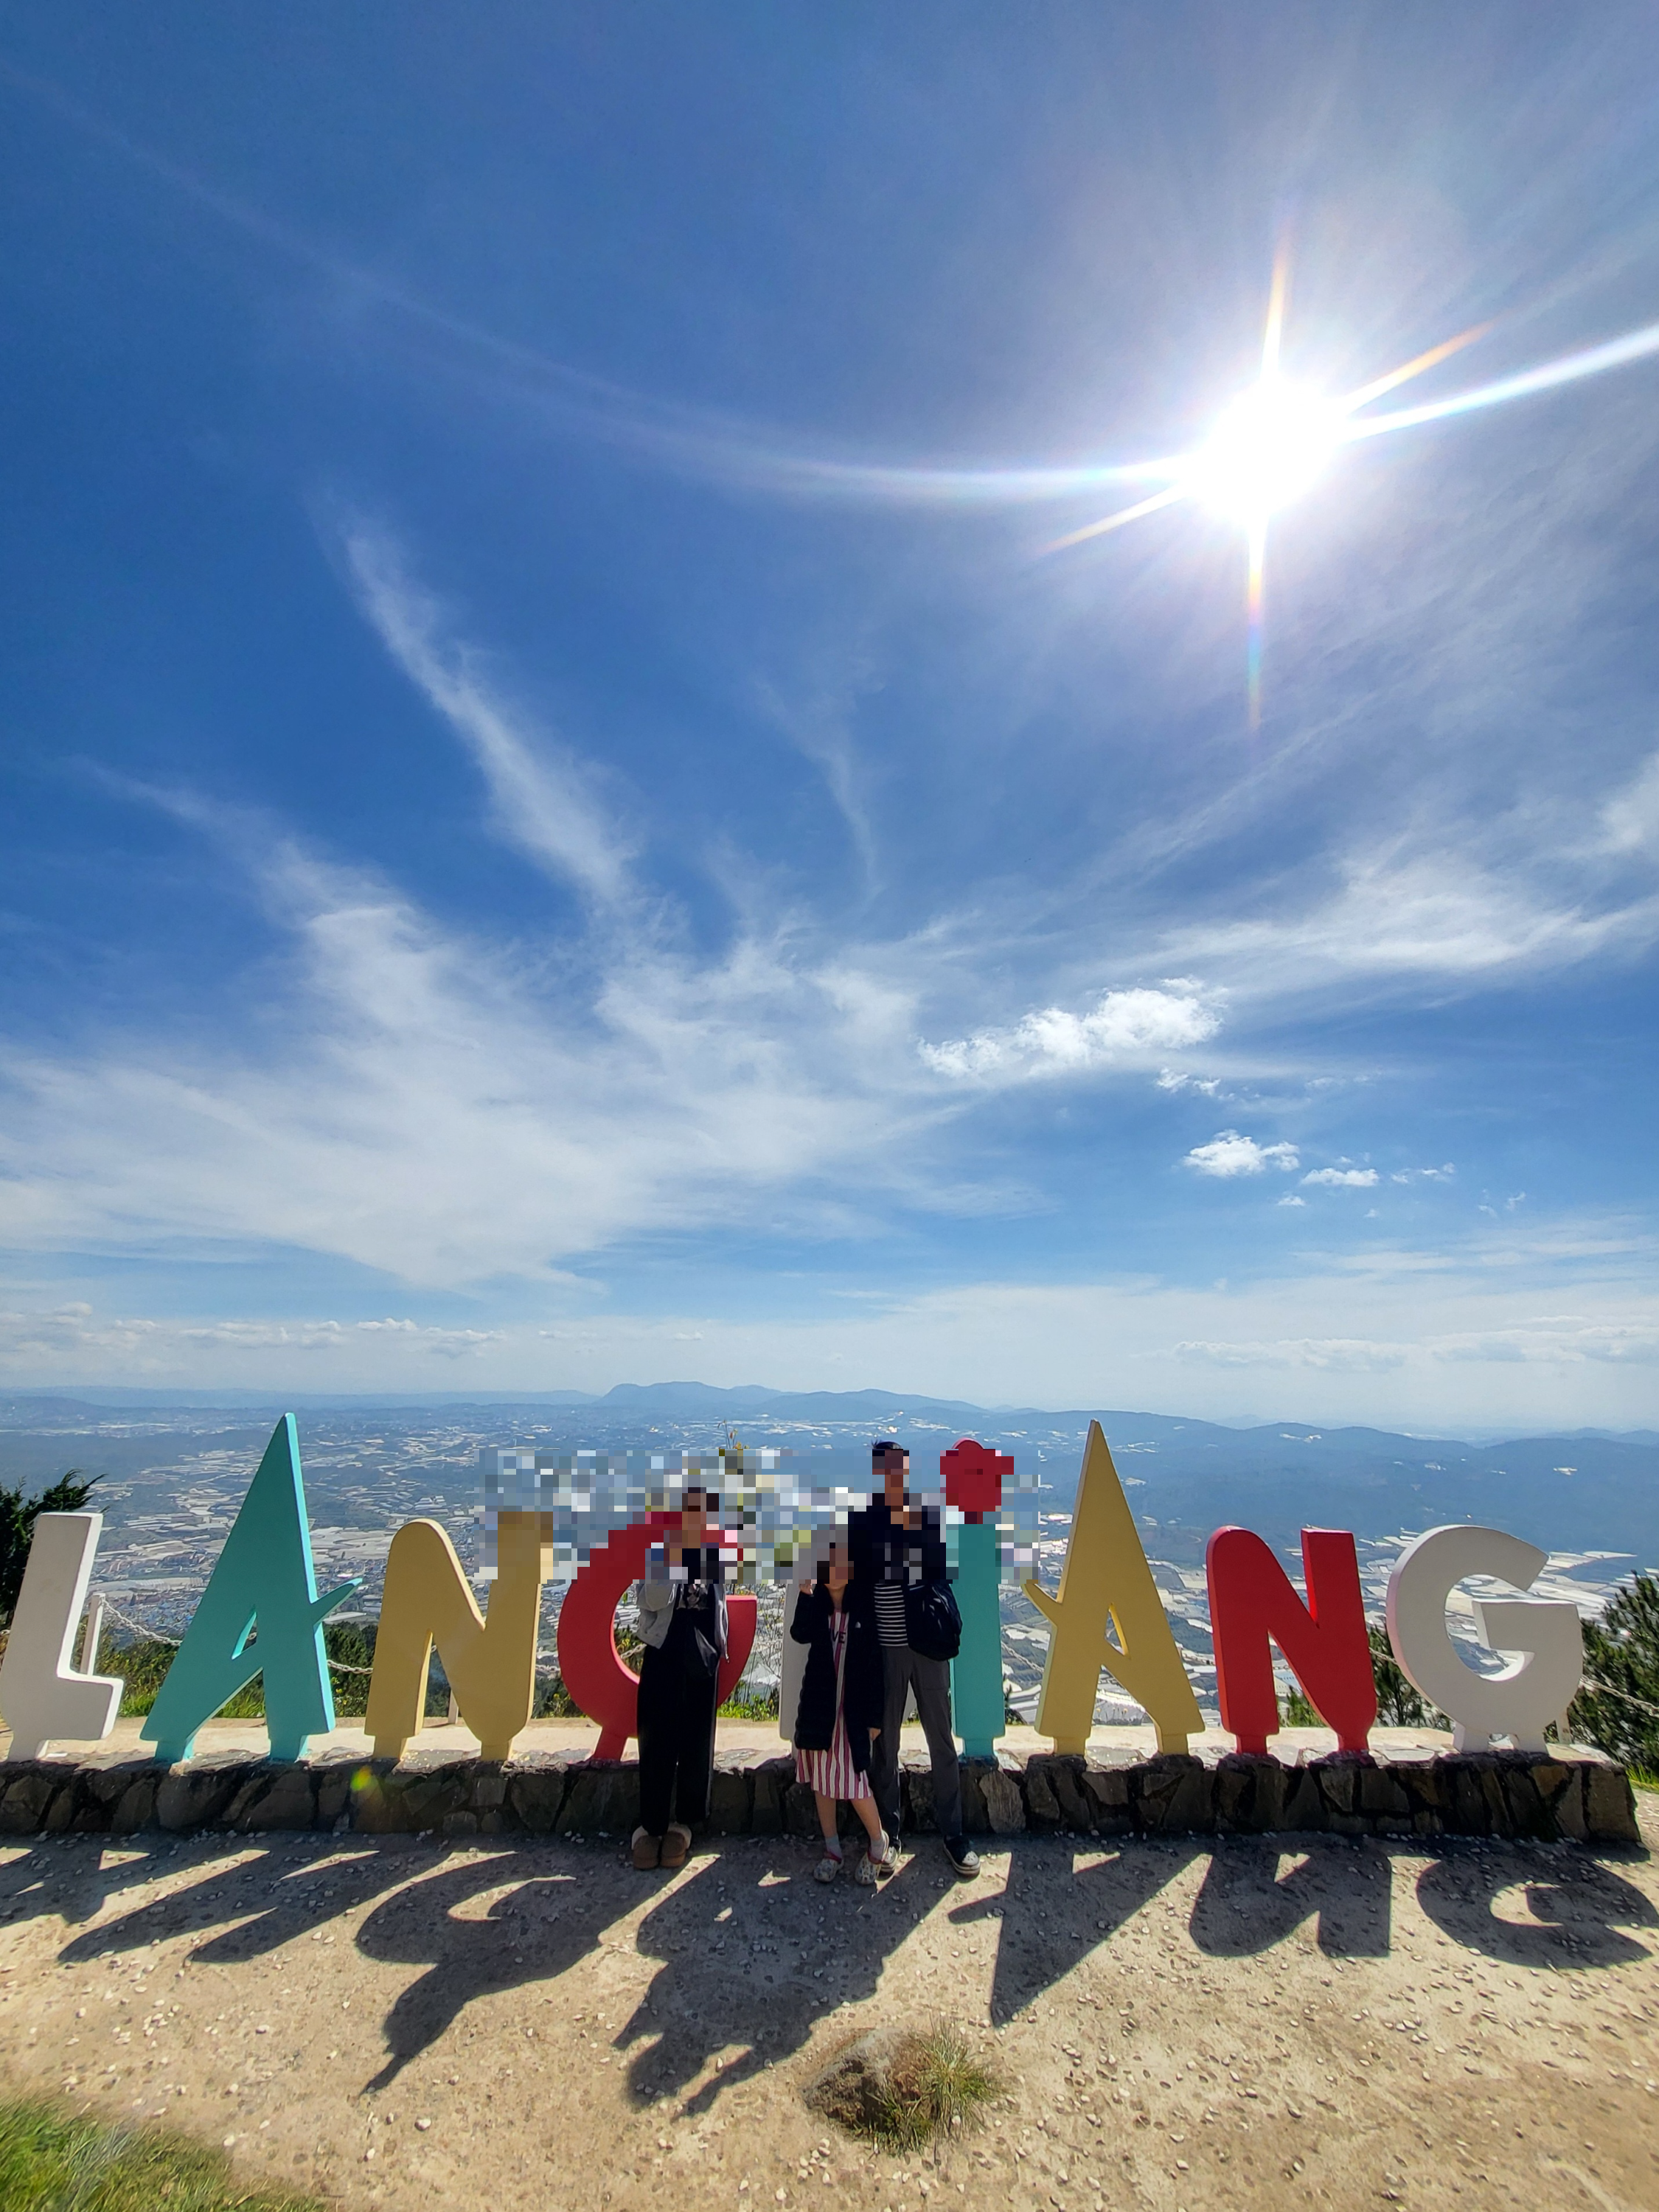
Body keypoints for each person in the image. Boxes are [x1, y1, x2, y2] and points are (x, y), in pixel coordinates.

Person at [849, 1441, 980, 1879]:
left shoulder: (924, 1514)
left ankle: (954, 1833)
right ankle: (888, 1833)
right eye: (885, 1469)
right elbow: (857, 1579)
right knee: (886, 1746)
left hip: (927, 1646)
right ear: (876, 1472)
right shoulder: (863, 1520)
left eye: (898, 1468)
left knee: (940, 1739)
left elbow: (939, 1568)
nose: (893, 1476)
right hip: (884, 1650)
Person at [630, 1486, 727, 1872]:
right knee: (655, 1738)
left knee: (697, 1741)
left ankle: (684, 1824)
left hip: (702, 1656)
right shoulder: (661, 1551)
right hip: (664, 1651)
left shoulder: (715, 1555)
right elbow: (649, 1601)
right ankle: (650, 1824)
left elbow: (719, 1604)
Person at [790, 1541, 892, 1884]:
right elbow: (799, 1634)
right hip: (820, 1710)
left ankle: (878, 1842)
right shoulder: (817, 1607)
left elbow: (876, 1667)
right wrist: (805, 1594)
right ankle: (832, 1849)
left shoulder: (863, 1610)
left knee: (853, 1781)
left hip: (852, 1713)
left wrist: (875, 1719)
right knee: (822, 1780)